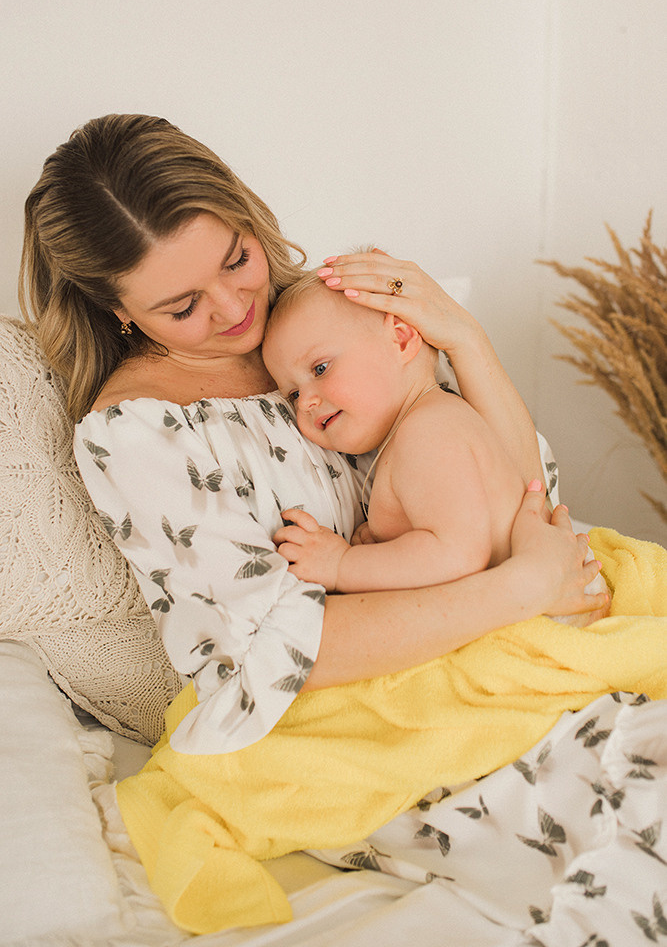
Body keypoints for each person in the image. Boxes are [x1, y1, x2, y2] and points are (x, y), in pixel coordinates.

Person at [18, 113, 606, 757]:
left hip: (510, 660)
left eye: (238, 259)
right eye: (183, 307)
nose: (235, 306)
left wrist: (466, 340)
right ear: (119, 311)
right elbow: (281, 650)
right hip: (361, 726)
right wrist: (519, 589)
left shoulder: (323, 321)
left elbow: (525, 500)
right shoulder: (137, 434)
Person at [262, 272, 605, 619]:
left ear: (400, 339)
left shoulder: (428, 432)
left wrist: (343, 564)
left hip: (548, 612)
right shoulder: (429, 422)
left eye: (320, 368)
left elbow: (457, 556)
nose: (305, 401)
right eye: (292, 393)